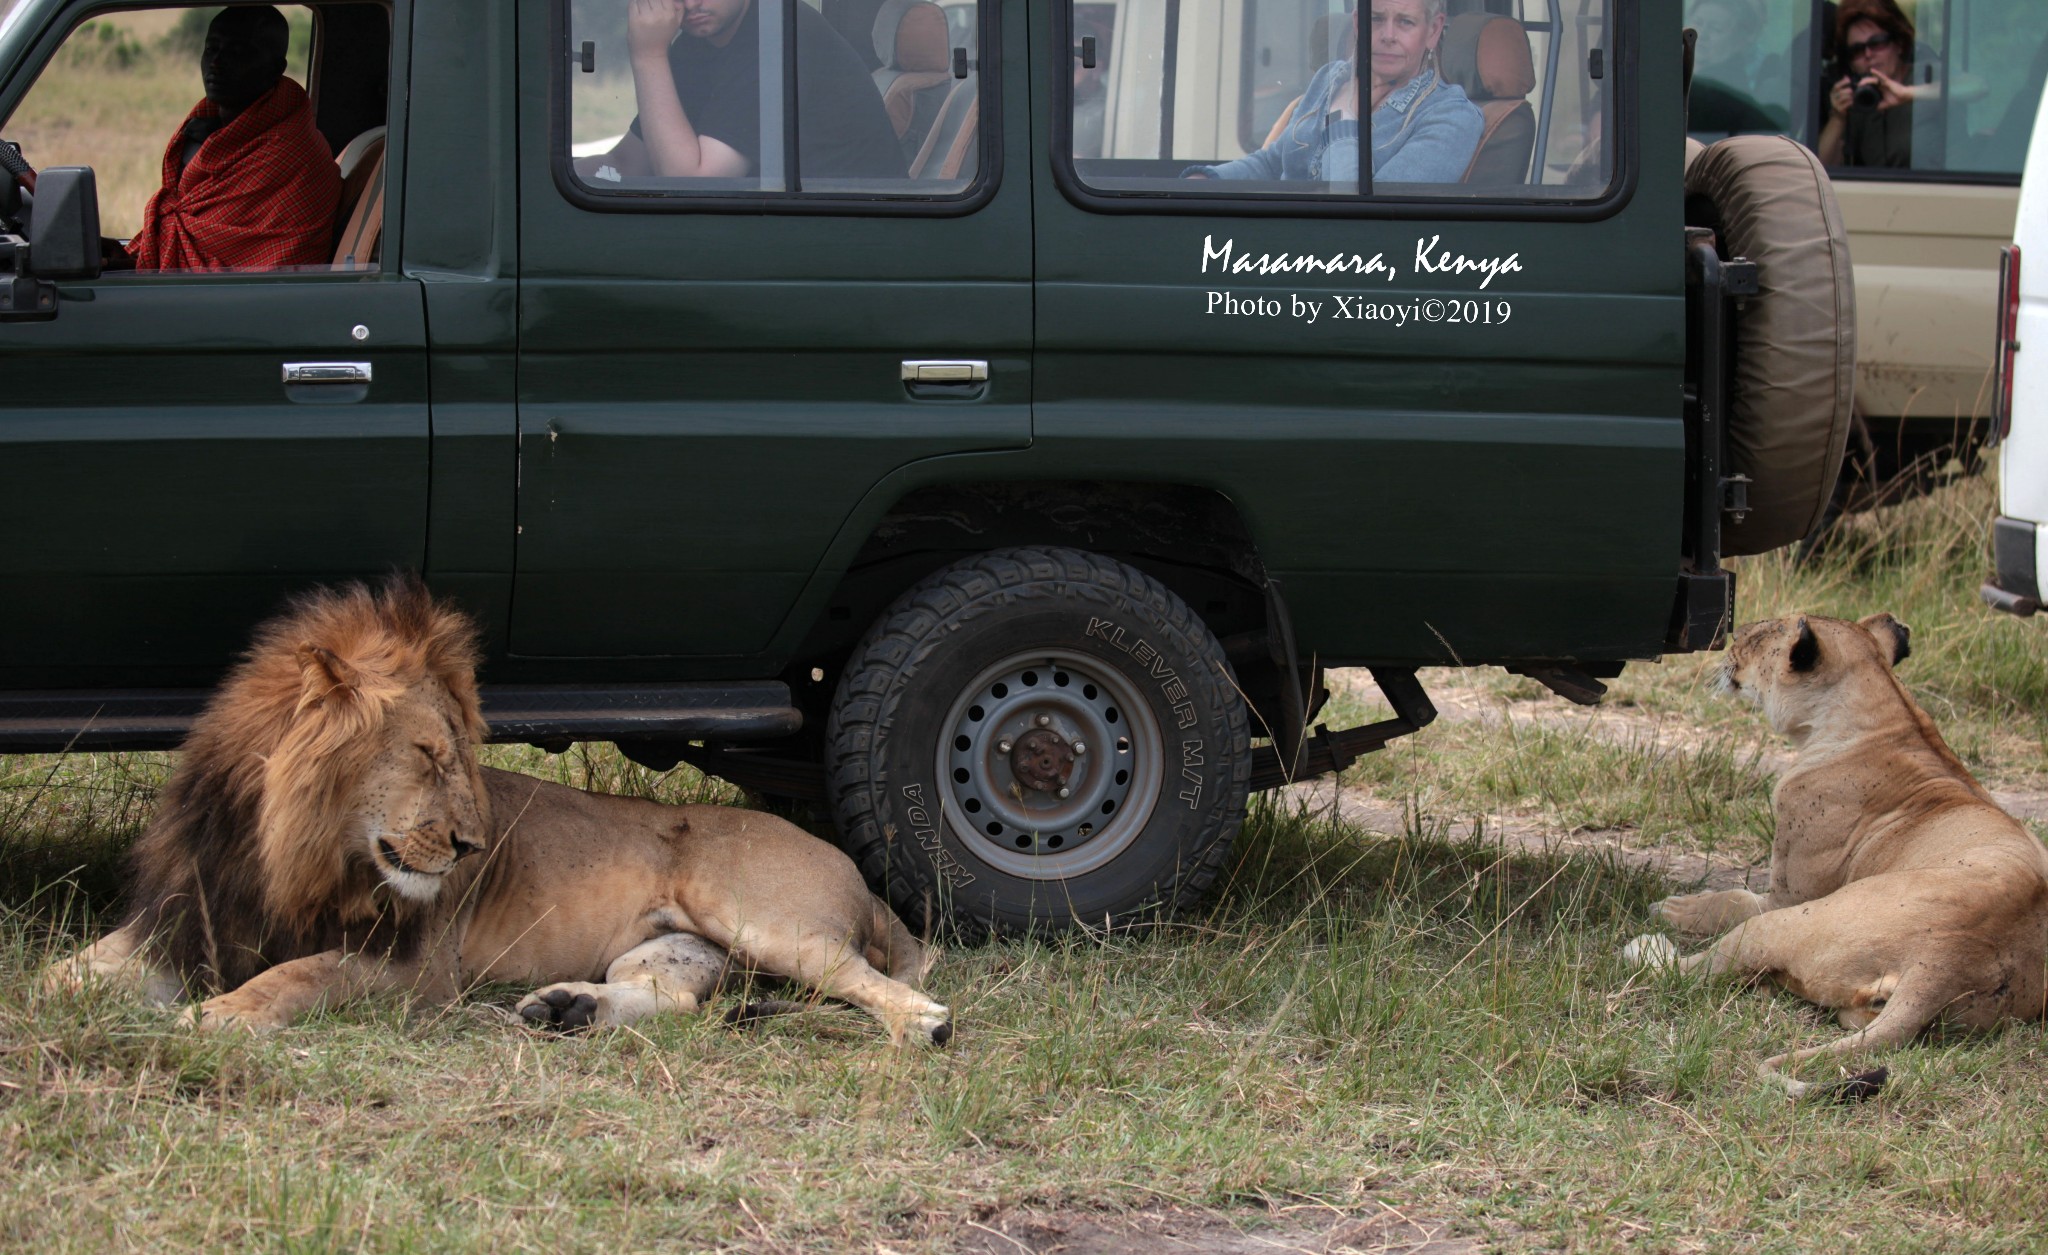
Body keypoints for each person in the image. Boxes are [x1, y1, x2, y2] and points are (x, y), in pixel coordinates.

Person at [576, 0, 904, 183]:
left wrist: (647, 54)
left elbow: (694, 186)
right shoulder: (697, 44)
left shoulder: (779, 33)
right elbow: (627, 163)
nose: (691, 3)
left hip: (839, 242)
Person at [116, 6, 340, 271]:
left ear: (276, 68)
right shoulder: (211, 129)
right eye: (211, 49)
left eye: (237, 53)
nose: (216, 63)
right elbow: (188, 230)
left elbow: (251, 269)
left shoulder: (290, 154)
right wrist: (126, 257)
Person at [1185, 0, 1482, 186]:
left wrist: (1344, 115)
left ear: (1432, 30)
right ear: (1357, 23)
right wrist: (1205, 181)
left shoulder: (1451, 116)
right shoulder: (1331, 77)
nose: (1387, 35)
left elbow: (1361, 216)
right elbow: (1273, 162)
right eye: (1375, 18)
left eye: (1405, 22)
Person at [1816, 0, 1923, 167]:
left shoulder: (1924, 76)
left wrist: (1909, 93)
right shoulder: (1858, 101)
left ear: (1900, 44)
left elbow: (1975, 85)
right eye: (1856, 50)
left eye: (1877, 43)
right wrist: (1838, 117)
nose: (1868, 54)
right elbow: (1818, 171)